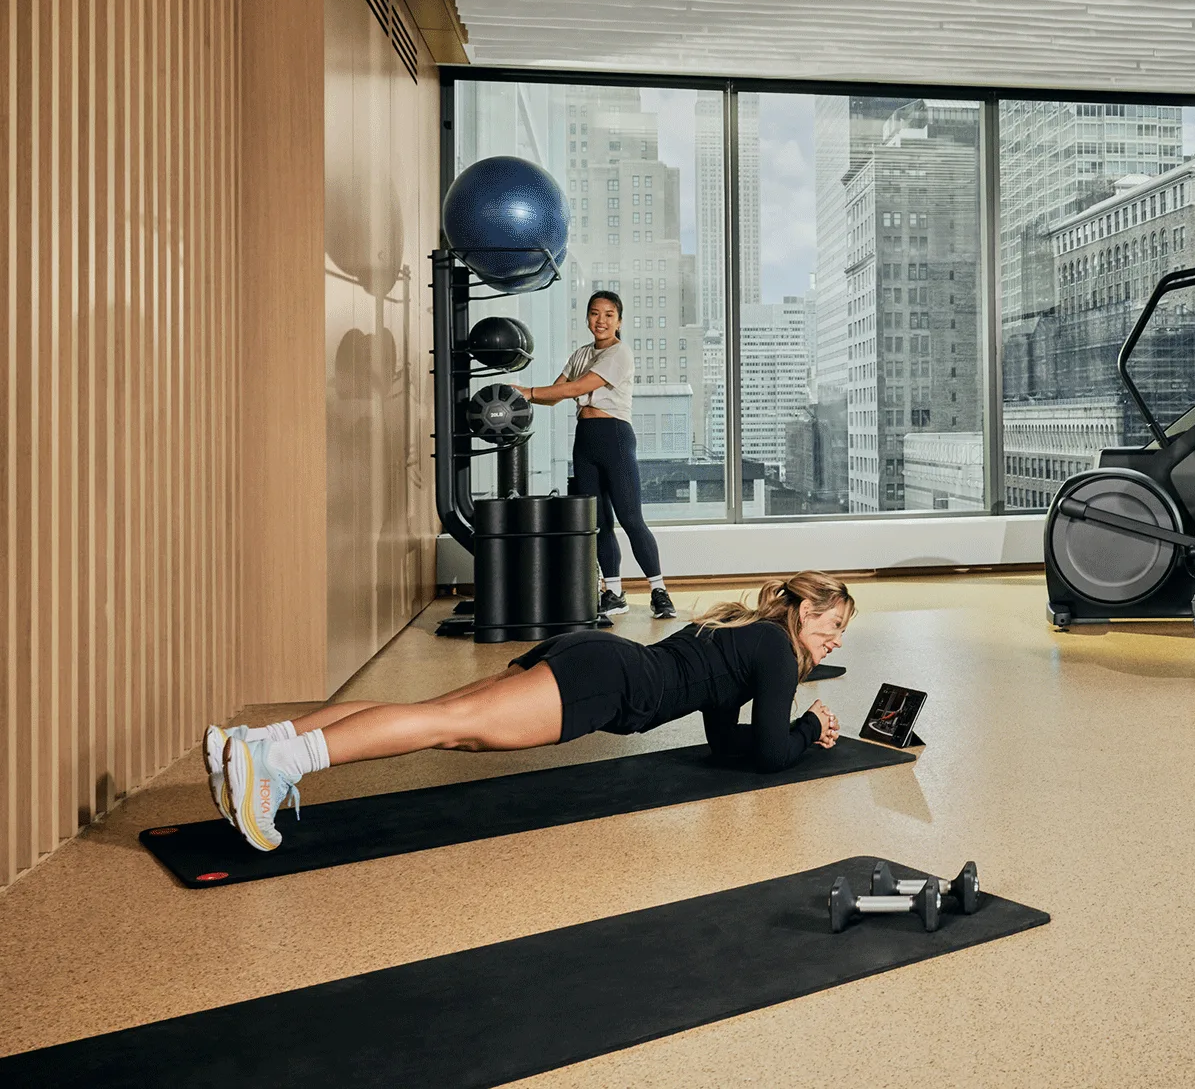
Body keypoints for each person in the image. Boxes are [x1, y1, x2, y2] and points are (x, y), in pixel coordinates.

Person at [202, 572, 855, 853]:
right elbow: (769, 751)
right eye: (832, 623)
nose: (835, 638)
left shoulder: (747, 631)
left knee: (435, 713)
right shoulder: (775, 646)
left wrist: (784, 727)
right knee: (444, 726)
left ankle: (258, 741)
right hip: (610, 684)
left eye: (842, 632)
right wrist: (808, 728)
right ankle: (277, 763)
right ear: (804, 610)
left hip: (598, 658)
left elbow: (726, 744)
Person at [516, 290, 673, 624]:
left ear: (619, 320)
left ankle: (659, 591)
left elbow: (575, 389)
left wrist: (530, 391)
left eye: (608, 314)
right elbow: (554, 396)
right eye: (594, 313)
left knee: (630, 518)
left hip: (614, 437)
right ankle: (612, 594)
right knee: (599, 522)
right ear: (587, 317)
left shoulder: (620, 353)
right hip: (585, 441)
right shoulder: (580, 355)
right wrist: (520, 397)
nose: (600, 320)